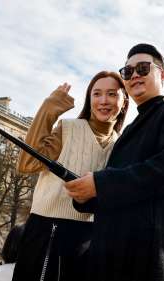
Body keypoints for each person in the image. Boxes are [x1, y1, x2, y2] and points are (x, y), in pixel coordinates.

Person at [67, 43, 164, 281]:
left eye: (143, 68)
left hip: (146, 264)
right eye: (127, 72)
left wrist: (100, 184)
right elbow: (124, 189)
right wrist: (86, 197)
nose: (134, 76)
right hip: (110, 262)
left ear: (162, 74)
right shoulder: (130, 129)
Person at [12, 71, 129, 281]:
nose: (104, 101)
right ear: (89, 99)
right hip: (48, 232)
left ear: (124, 100)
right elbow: (26, 163)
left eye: (112, 94)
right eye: (97, 94)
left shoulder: (123, 144)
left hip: (93, 240)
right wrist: (49, 109)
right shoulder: (68, 128)